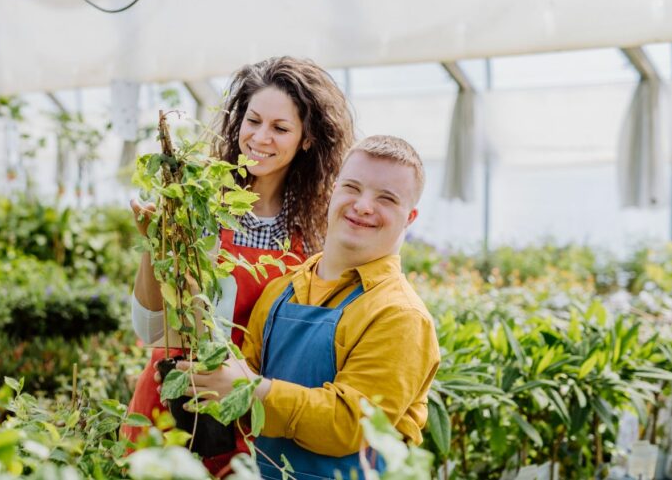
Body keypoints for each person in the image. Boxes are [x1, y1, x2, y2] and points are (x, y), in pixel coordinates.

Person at [123, 56, 356, 475]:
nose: (260, 138)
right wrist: (155, 243)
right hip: (174, 404)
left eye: (280, 128)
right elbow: (149, 329)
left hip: (250, 418)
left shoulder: (314, 234)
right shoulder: (199, 202)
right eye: (253, 121)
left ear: (306, 139)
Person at [177, 135, 441, 479]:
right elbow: (243, 404)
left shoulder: (399, 315)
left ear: (410, 217)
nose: (363, 205)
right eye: (352, 187)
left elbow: (349, 424)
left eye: (386, 198)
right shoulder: (280, 291)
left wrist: (249, 390)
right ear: (332, 191)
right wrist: (203, 383)